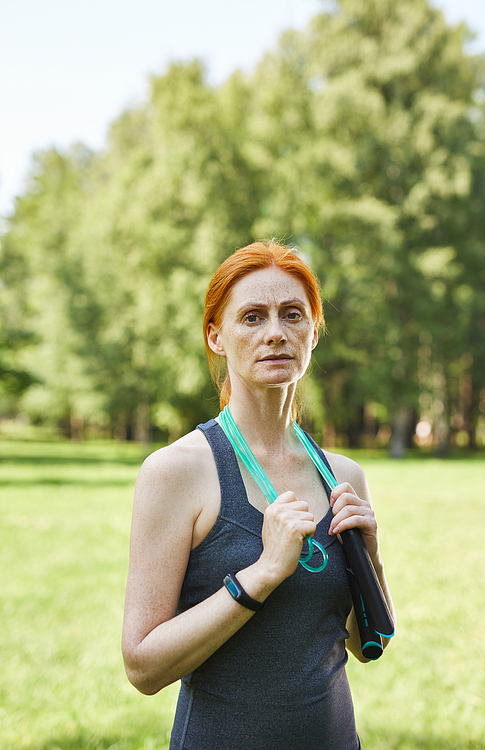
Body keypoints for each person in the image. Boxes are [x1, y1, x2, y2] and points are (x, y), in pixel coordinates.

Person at [122, 240, 396, 750]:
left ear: (312, 332)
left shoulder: (344, 476)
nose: (276, 333)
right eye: (252, 317)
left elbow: (367, 645)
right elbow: (143, 666)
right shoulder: (175, 472)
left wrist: (371, 559)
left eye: (292, 315)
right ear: (216, 337)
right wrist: (261, 575)